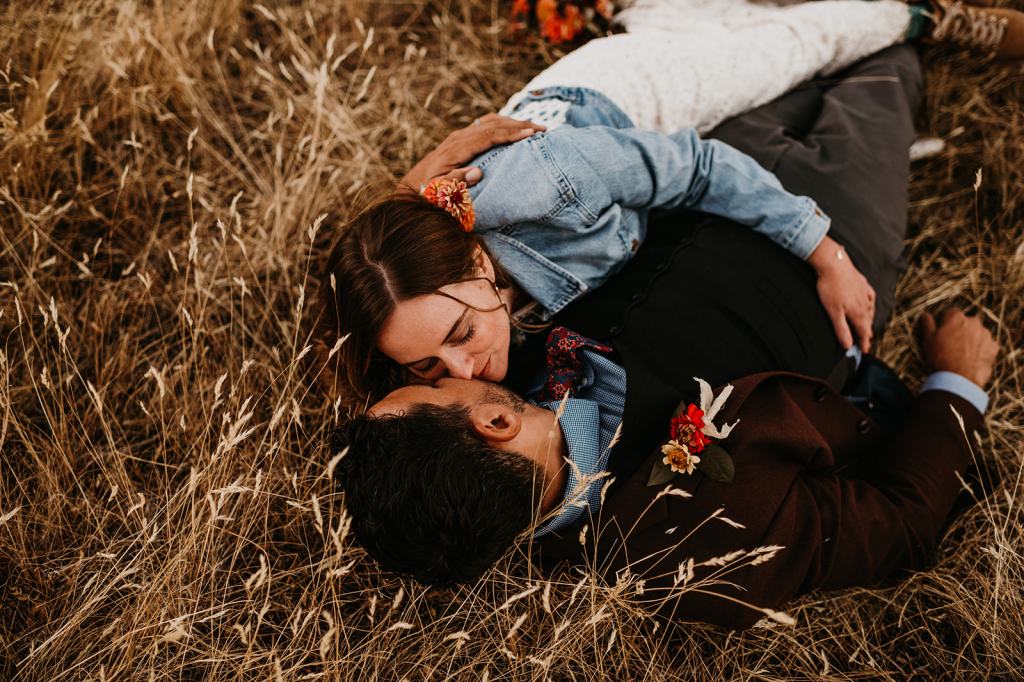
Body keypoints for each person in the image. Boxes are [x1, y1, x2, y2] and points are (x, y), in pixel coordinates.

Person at [327, 45, 1003, 628]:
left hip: (708, 176)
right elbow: (901, 524)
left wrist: (416, 198)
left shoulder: (487, 375)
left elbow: (383, 292)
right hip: (838, 256)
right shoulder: (693, 548)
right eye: (429, 384)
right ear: (496, 422)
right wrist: (957, 385)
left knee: (789, 53)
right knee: (877, 78)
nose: (443, 369)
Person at [317, 0, 1024, 399]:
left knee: (787, 49)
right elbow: (384, 263)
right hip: (573, 151)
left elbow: (699, 168)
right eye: (430, 370)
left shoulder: (552, 181)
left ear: (477, 261)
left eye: (461, 340)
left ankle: (923, 17)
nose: (467, 374)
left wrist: (824, 250)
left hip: (624, 95)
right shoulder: (424, 301)